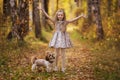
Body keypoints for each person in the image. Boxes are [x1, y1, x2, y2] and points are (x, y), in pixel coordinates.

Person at [38, 7, 86, 72]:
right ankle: (55, 67)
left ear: (63, 16)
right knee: (56, 54)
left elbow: (73, 20)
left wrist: (81, 16)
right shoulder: (55, 21)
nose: (60, 16)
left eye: (61, 15)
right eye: (59, 15)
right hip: (57, 39)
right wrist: (43, 10)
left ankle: (63, 68)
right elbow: (48, 17)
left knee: (63, 54)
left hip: (63, 39)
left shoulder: (65, 22)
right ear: (57, 16)